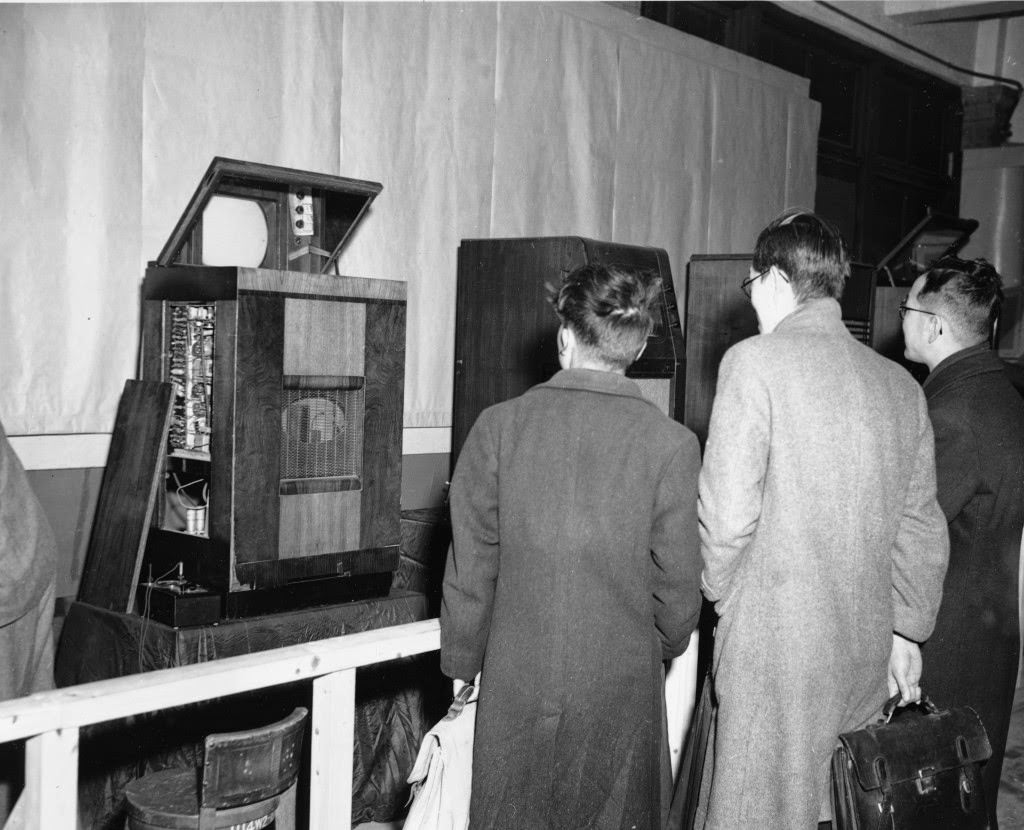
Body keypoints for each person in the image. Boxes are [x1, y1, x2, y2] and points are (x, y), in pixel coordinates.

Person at [695, 210, 949, 829]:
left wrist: (729, 600)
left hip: (773, 649)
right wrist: (907, 630)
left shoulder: (754, 363)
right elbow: (920, 527)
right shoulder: (899, 386)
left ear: (778, 279)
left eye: (752, 285)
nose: (752, 300)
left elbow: (725, 520)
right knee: (838, 807)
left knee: (757, 810)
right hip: (862, 647)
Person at [440, 262, 703, 830]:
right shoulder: (672, 445)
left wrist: (463, 664)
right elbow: (680, 598)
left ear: (564, 338)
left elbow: (470, 569)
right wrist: (648, 647)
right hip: (621, 693)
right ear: (636, 348)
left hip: (516, 683)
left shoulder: (498, 427)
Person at [902, 255, 1024, 828]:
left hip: (945, 645)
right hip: (989, 635)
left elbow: (910, 531)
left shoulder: (951, 413)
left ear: (935, 326)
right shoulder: (1002, 392)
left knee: (929, 802)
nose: (901, 320)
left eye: (907, 308)